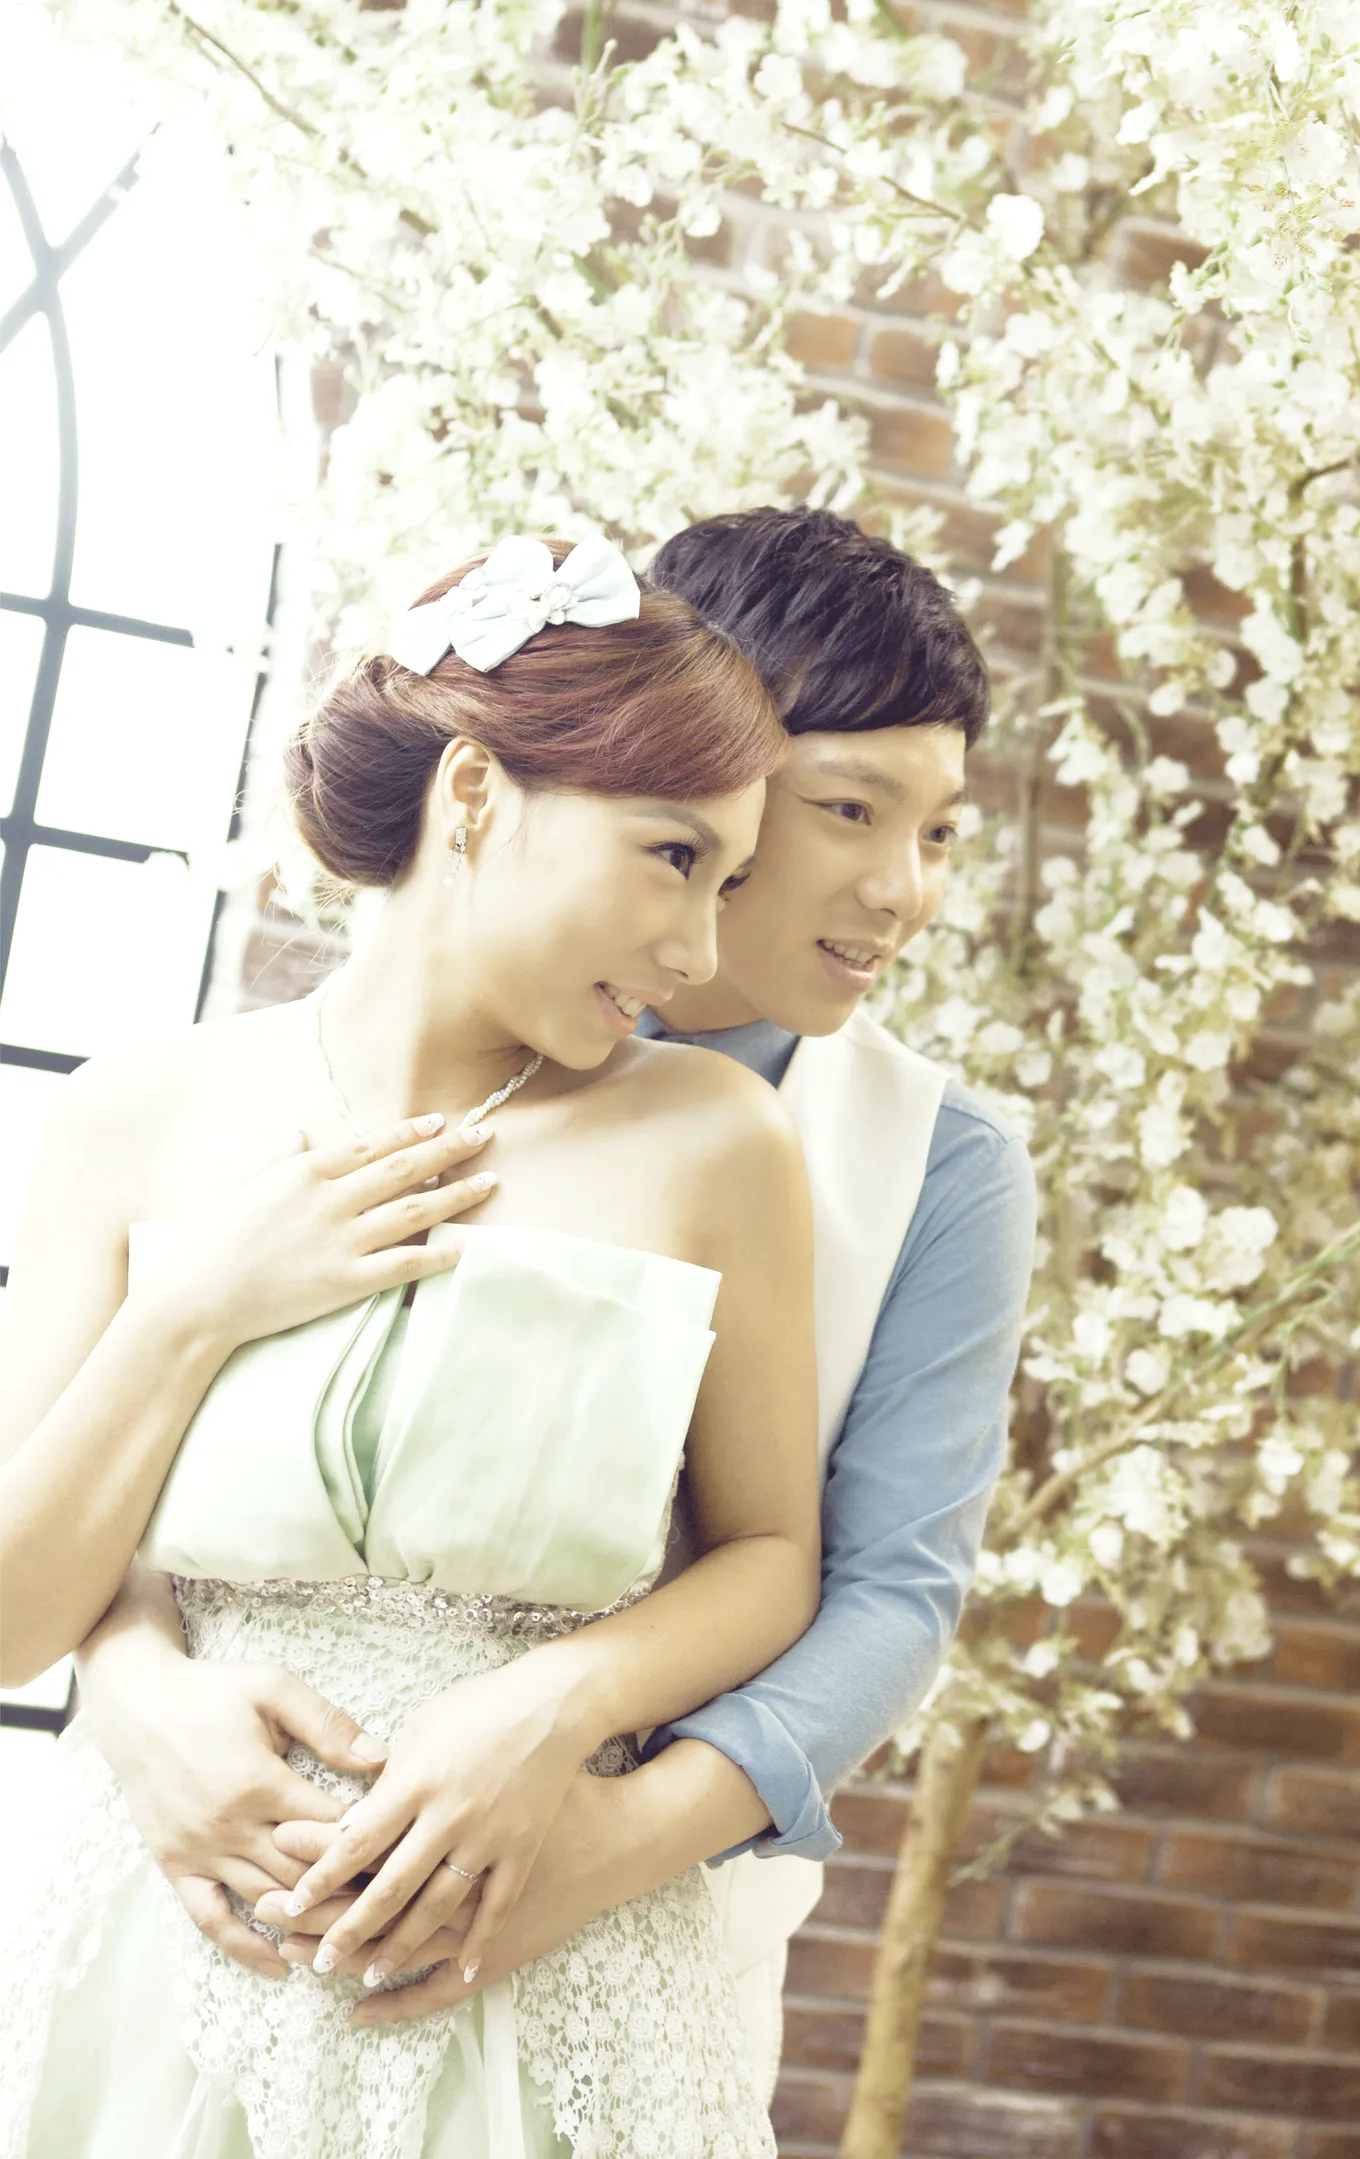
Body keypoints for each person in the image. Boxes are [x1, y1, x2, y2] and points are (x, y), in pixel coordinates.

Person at [68, 509, 1037, 2096]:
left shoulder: (928, 1162)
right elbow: (154, 1481)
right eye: (851, 810)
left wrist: (602, 1838)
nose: (904, 889)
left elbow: (885, 1588)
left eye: (939, 832)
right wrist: (132, 1691)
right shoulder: (280, 1088)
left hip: (615, 1940)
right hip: (207, 1887)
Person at [0, 534, 825, 2159]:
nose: (695, 949)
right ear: (473, 796)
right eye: (671, 857)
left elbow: (772, 1555)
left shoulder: (718, 1140)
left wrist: (554, 1704)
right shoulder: (134, 1116)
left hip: (541, 1973)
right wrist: (194, 1306)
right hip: (156, 1952)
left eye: (726, 884)